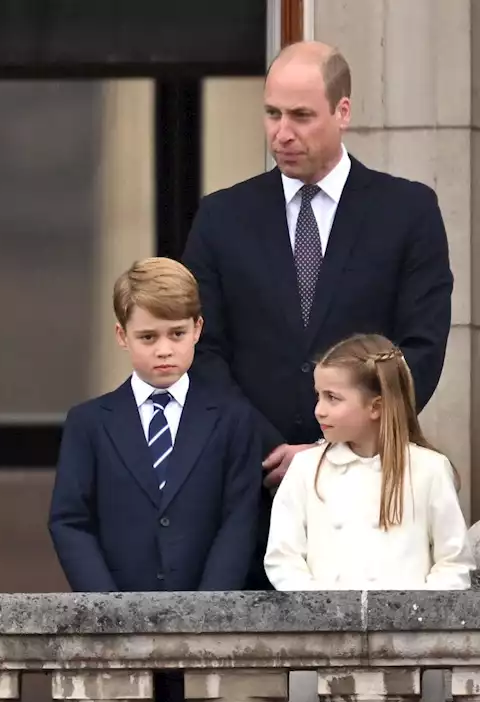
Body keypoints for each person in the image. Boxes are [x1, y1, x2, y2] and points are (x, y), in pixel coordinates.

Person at [181, 41, 452, 590]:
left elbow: (421, 345)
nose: (283, 132)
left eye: (302, 116)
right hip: (252, 488)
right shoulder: (221, 217)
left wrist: (339, 442)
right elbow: (202, 349)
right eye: (272, 113)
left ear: (343, 112)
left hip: (377, 491)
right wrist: (275, 452)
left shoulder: (407, 211)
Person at [48, 258, 261, 702]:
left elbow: (240, 517)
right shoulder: (89, 421)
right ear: (122, 335)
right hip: (116, 628)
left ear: (198, 329)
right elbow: (70, 520)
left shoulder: (233, 418)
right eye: (148, 337)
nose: (164, 349)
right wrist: (109, 607)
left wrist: (207, 611)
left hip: (207, 631)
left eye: (176, 334)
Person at [264, 334, 472, 590]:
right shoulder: (305, 469)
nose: (319, 409)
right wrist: (321, 610)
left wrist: (416, 613)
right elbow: (283, 558)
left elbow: (454, 562)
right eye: (318, 395)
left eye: (333, 397)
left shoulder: (429, 469)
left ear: (376, 407)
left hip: (407, 628)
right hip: (326, 626)